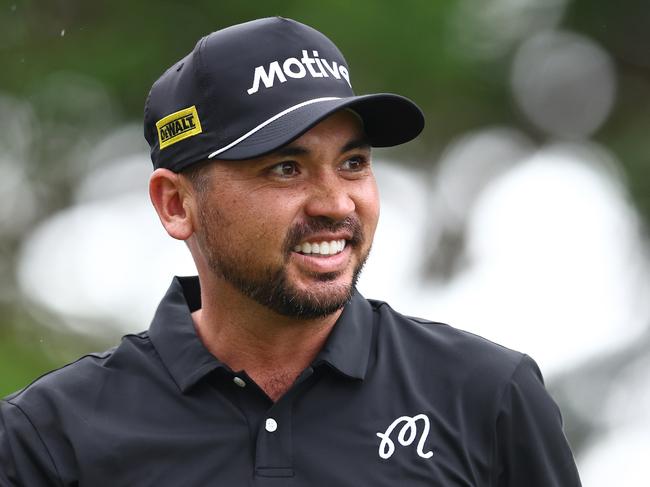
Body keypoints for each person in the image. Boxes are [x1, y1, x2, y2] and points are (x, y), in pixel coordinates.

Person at [0, 17, 582, 486]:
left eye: (353, 163)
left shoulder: (487, 397)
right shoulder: (49, 437)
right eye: (285, 168)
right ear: (176, 205)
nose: (337, 203)